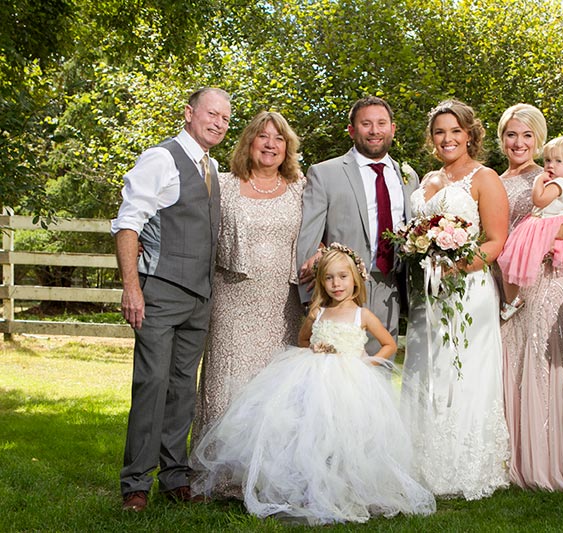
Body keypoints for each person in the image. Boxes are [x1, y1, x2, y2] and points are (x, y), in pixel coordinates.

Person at [190, 244, 436, 524]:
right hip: (314, 380)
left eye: (343, 277)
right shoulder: (317, 313)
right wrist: (314, 348)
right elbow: (303, 340)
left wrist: (367, 363)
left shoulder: (362, 315)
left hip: (351, 383)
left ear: (355, 279)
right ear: (321, 282)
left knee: (348, 434)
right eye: (329, 278)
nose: (336, 284)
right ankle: (310, 488)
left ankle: (348, 488)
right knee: (311, 433)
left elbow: (389, 344)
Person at [111, 87, 231, 511]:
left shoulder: (212, 167)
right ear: (189, 113)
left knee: (183, 390)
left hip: (199, 296)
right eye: (211, 114)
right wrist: (132, 287)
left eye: (225, 119)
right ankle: (136, 484)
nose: (218, 123)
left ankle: (174, 476)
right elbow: (128, 224)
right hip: (159, 292)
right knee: (152, 386)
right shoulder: (160, 158)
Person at [401, 99, 510, 500]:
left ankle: (465, 464)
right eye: (439, 132)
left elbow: (497, 241)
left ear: (469, 135)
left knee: (462, 369)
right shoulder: (427, 178)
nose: (447, 139)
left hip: (468, 291)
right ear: (432, 138)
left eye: (455, 131)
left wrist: (456, 268)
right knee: (426, 366)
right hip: (425, 292)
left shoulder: (485, 178)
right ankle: (421, 462)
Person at [495, 103, 563, 491]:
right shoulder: (492, 179)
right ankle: (510, 457)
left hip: (548, 276)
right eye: (512, 134)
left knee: (547, 359)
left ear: (539, 139)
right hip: (506, 279)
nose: (519, 142)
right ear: (502, 138)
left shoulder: (551, 176)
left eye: (527, 135)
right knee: (511, 359)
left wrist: (540, 237)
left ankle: (553, 458)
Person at [192, 111, 305, 446]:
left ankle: (270, 470)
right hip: (232, 300)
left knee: (276, 385)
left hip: (284, 303)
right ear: (249, 142)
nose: (270, 144)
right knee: (228, 379)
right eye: (263, 136)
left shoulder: (301, 186)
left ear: (287, 147)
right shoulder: (223, 184)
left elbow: (319, 234)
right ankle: (220, 471)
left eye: (279, 138)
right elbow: (191, 225)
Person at [296, 96, 419, 355]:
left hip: (391, 286)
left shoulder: (407, 176)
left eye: (381, 123)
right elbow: (309, 237)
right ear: (352, 130)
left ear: (392, 129)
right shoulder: (325, 172)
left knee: (381, 368)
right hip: (342, 291)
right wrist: (312, 300)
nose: (375, 131)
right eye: (366, 124)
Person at [497, 136, 563, 320]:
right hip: (562, 222)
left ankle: (511, 300)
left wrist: (538, 183)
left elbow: (539, 200)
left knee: (512, 262)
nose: (550, 166)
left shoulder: (557, 184)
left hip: (541, 224)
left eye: (558, 161)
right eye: (548, 160)